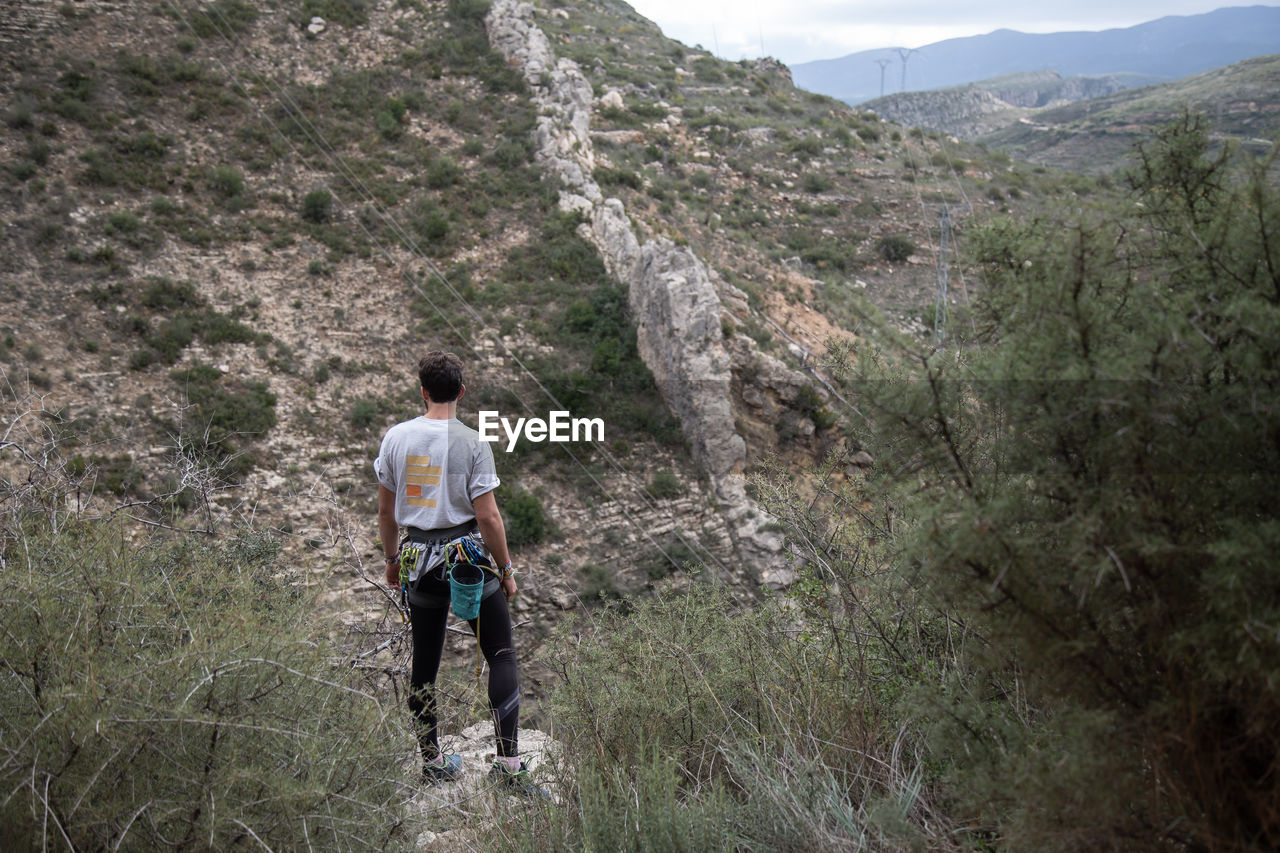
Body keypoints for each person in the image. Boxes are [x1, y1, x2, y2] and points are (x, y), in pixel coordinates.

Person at [374, 351, 540, 796]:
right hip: (466, 562)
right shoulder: (473, 441)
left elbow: (387, 513)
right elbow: (488, 517)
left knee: (425, 663)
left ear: (423, 391)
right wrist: (505, 570)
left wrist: (392, 561)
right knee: (501, 655)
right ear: (461, 393)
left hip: (418, 563)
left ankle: (432, 762)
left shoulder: (396, 438)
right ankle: (508, 766)